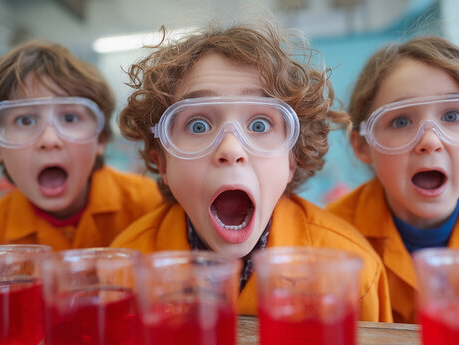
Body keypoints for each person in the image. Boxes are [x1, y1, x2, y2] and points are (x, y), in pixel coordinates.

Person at [111, 19, 393, 322]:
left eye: (259, 125)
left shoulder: (352, 272)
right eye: (198, 125)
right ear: (163, 163)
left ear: (291, 160)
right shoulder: (123, 273)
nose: (231, 149)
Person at [326, 36, 459, 323]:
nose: (430, 140)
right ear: (363, 146)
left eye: (453, 115)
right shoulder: (330, 238)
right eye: (402, 121)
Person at [0, 40, 163, 250]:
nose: (50, 140)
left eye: (70, 118)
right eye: (25, 121)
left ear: (101, 139)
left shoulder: (151, 204)